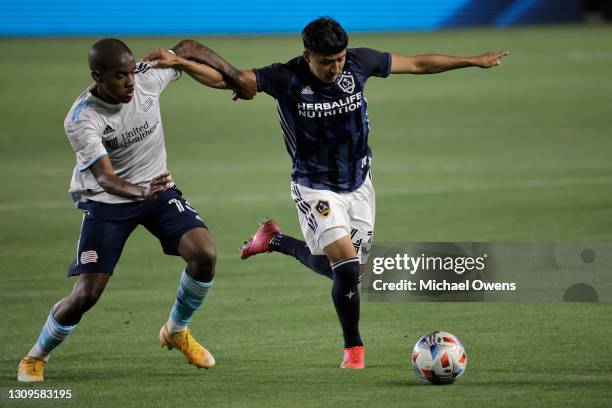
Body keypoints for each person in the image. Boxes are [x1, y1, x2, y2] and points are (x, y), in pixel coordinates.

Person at [146, 17, 508, 370]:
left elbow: (417, 63)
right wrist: (181, 62)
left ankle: (273, 240)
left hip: (359, 183)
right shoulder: (285, 76)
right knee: (348, 270)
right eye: (326, 62)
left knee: (347, 272)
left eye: (339, 59)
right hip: (314, 186)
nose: (335, 67)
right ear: (307, 56)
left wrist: (472, 61)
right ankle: (354, 349)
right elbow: (228, 80)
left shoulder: (359, 63)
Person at [17, 38, 254, 382]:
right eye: (119, 76)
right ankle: (35, 355)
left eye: (130, 72)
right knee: (87, 294)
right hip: (109, 201)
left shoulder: (145, 79)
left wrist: (233, 75)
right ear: (97, 76)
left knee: (204, 254)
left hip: (157, 190)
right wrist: (141, 191)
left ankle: (176, 330)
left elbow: (187, 47)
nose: (129, 82)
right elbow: (106, 179)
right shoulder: (83, 118)